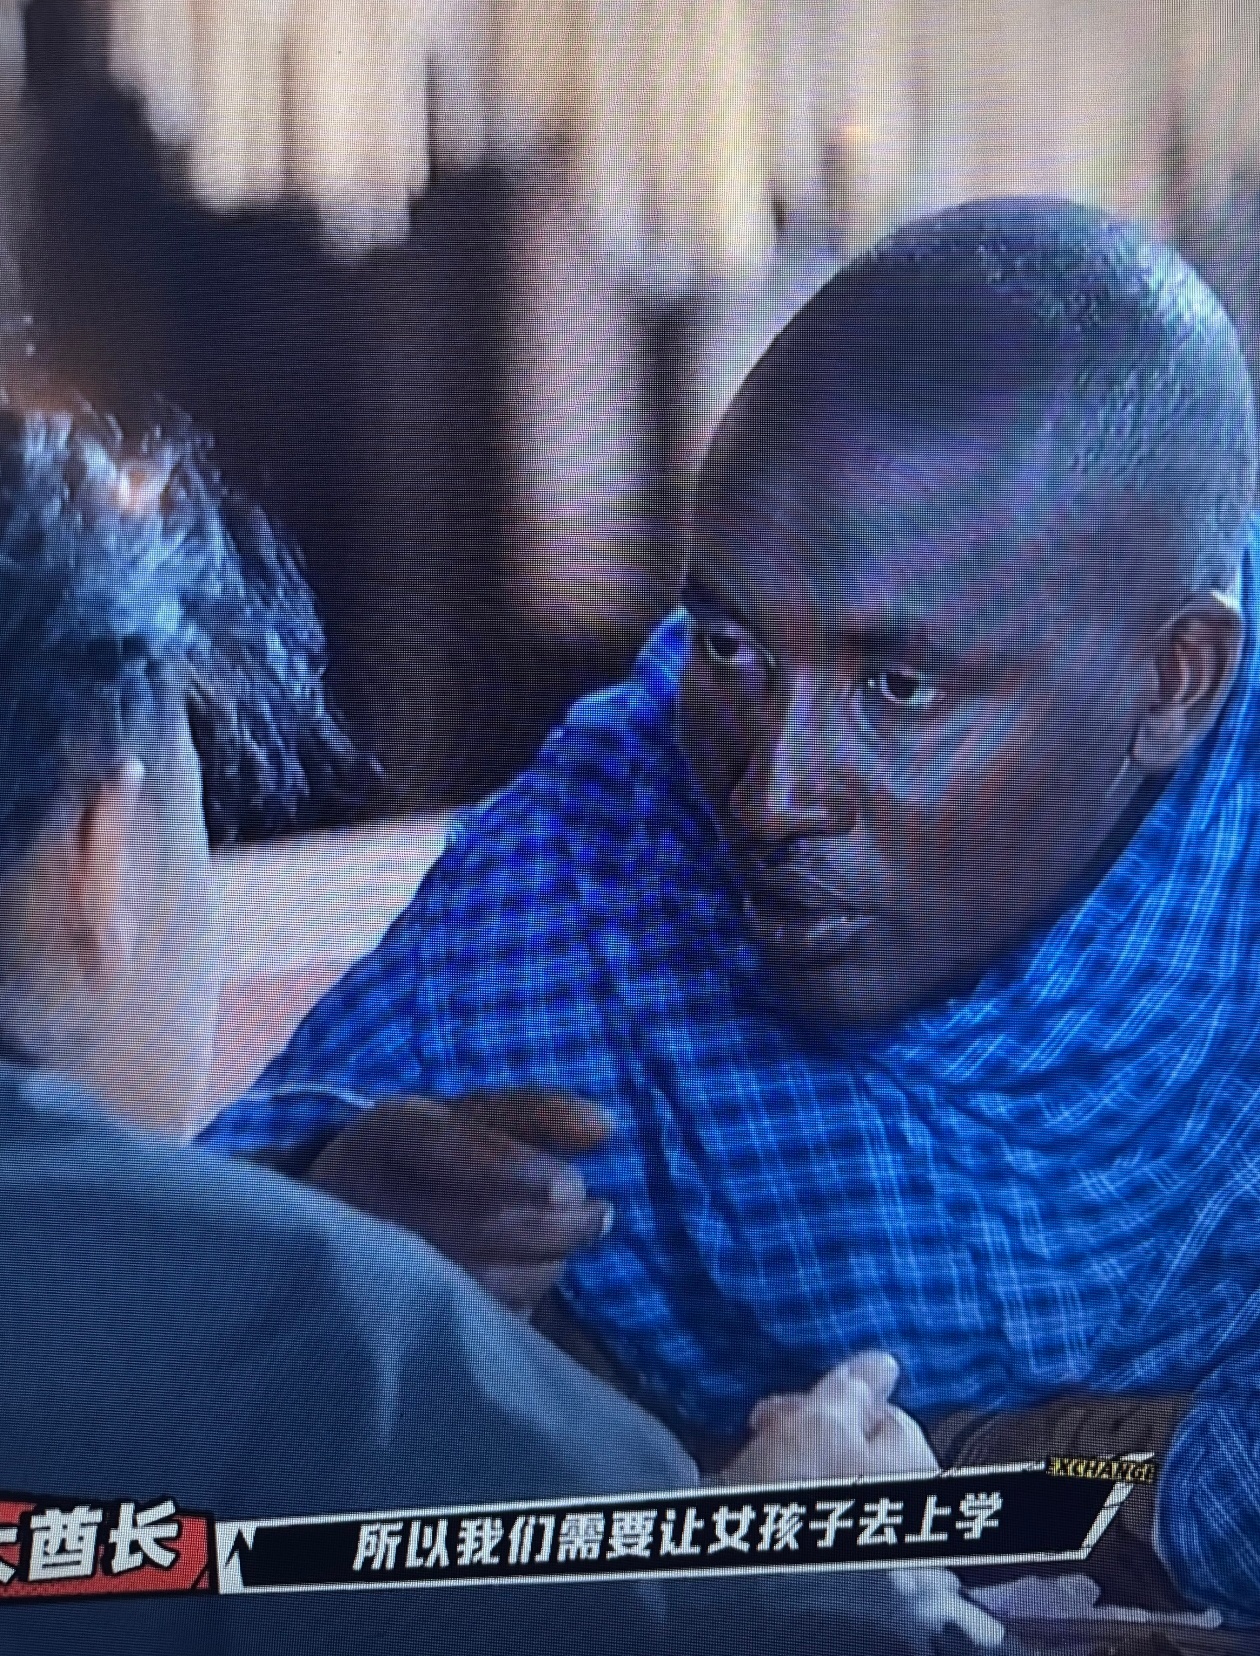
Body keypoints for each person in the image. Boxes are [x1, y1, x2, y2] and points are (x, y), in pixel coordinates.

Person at [201, 196, 1260, 1622]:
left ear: (1175, 681)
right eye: (731, 647)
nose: (770, 794)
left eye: (898, 689)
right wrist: (324, 1235)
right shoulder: (599, 853)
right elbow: (143, 1329)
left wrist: (931, 1488)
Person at [0, 410, 1002, 1654]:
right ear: (98, 855)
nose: (777, 795)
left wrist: (295, 1209)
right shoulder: (327, 1346)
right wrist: (793, 1574)